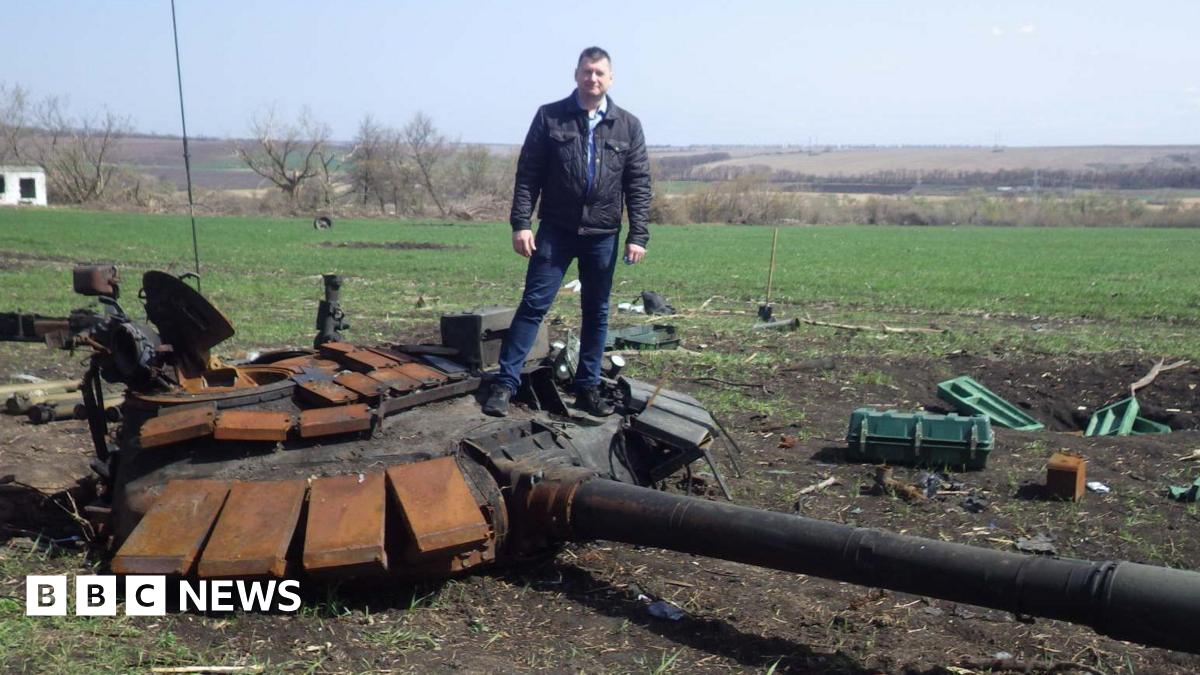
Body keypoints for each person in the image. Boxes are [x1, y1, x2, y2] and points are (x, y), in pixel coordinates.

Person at [483, 46, 651, 417]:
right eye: (587, 72)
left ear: (610, 79)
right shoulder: (550, 117)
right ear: (576, 74)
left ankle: (587, 386)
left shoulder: (628, 125)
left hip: (604, 235)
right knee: (533, 306)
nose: (593, 79)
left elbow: (638, 183)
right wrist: (521, 224)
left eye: (600, 73)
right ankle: (504, 384)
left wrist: (638, 234)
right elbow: (528, 174)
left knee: (597, 311)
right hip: (555, 231)